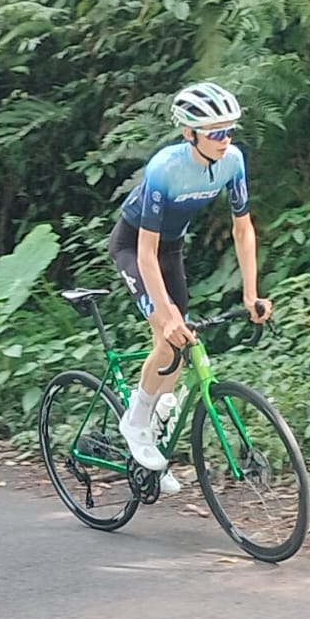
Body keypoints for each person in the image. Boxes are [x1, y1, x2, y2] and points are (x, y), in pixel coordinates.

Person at [108, 81, 272, 493]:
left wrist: (250, 293)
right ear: (189, 133)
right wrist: (164, 317)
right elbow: (145, 252)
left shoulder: (233, 161)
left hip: (172, 248)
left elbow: (243, 229)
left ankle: (154, 429)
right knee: (168, 337)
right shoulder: (165, 168)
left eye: (229, 130)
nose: (224, 140)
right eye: (215, 132)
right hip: (134, 246)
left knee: (183, 339)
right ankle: (136, 422)